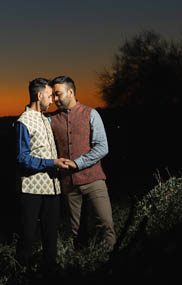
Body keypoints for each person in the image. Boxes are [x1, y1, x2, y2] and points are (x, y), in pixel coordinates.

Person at [48, 75, 116, 249]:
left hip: (94, 180)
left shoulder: (91, 114)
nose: (55, 99)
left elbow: (102, 147)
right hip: (69, 185)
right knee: (76, 232)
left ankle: (113, 264)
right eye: (53, 95)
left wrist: (78, 163)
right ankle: (82, 269)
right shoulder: (51, 120)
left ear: (70, 92)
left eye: (58, 94)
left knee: (106, 225)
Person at [16, 77, 73, 269]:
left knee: (51, 236)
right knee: (28, 237)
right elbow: (22, 158)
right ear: (39, 95)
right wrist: (52, 163)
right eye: (49, 96)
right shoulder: (24, 121)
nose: (51, 100)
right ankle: (20, 279)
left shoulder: (46, 119)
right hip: (32, 190)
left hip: (53, 189)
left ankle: (49, 277)